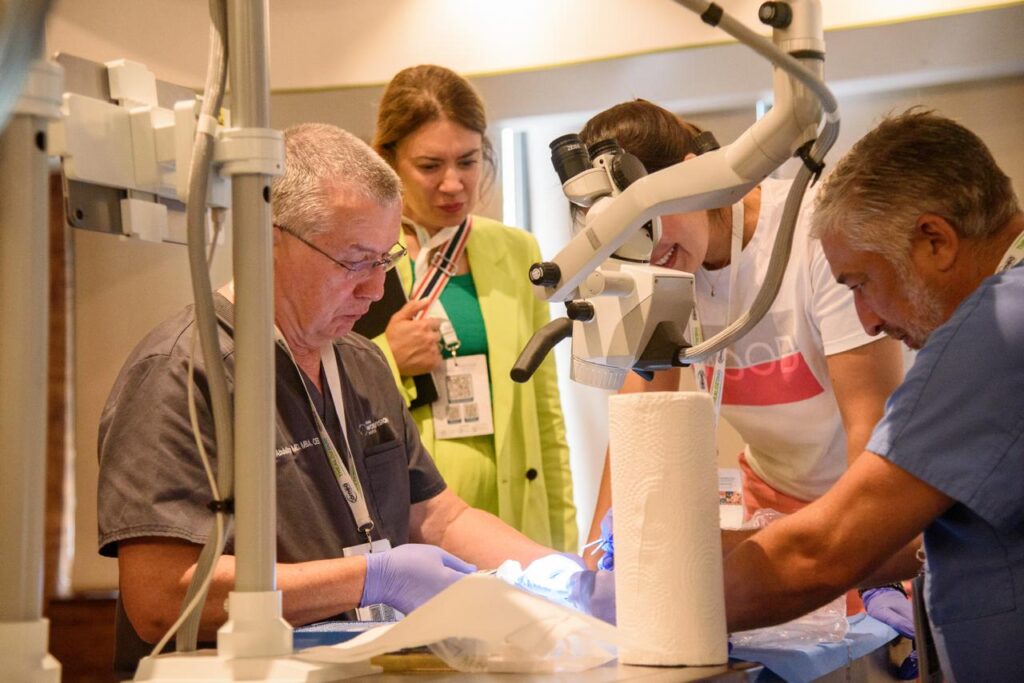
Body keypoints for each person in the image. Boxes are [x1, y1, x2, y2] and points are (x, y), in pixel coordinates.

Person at [96, 123, 554, 674]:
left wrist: (557, 574)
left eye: (384, 260)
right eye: (354, 262)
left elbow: (436, 516)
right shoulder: (181, 375)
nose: (375, 290)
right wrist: (371, 578)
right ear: (269, 238)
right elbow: (161, 598)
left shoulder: (361, 362)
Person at [591, 110, 1024, 681]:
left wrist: (637, 607)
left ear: (935, 240)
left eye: (863, 286)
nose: (867, 321)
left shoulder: (992, 337)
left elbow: (827, 552)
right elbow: (636, 429)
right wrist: (604, 560)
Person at [579, 100, 903, 570]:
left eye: (647, 222)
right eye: (620, 236)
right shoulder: (652, 269)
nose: (644, 253)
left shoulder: (810, 230)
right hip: (772, 498)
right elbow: (637, 432)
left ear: (692, 177)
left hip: (864, 494)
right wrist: (594, 573)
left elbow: (870, 427)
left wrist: (869, 558)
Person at [369, 64, 576, 551]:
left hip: (514, 513)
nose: (453, 184)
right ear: (389, 160)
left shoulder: (517, 251)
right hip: (411, 520)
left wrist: (564, 542)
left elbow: (545, 413)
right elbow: (313, 391)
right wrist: (386, 358)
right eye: (430, 165)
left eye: (467, 161)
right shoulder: (362, 256)